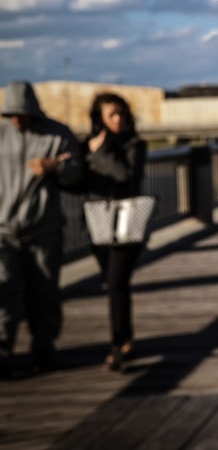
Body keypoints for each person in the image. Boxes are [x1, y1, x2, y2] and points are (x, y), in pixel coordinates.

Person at [0, 80, 83, 377]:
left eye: (21, 113)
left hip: (43, 228)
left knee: (44, 292)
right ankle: (2, 353)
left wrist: (56, 168)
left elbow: (76, 175)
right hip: (3, 230)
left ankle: (44, 349)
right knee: (3, 292)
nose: (16, 119)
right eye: (11, 113)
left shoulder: (58, 134)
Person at [81, 92, 148, 372]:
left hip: (127, 220)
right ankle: (126, 339)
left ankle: (116, 346)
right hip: (98, 220)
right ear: (100, 119)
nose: (118, 119)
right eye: (111, 114)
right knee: (114, 284)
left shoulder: (135, 144)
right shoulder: (87, 145)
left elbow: (125, 176)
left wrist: (101, 152)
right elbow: (78, 181)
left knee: (117, 282)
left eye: (121, 113)